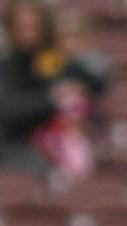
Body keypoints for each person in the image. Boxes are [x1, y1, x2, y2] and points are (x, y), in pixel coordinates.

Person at [0, 1, 106, 180]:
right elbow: (10, 112)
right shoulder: (5, 68)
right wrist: (53, 100)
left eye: (34, 27)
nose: (28, 34)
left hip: (58, 149)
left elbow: (95, 82)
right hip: (17, 153)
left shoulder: (53, 60)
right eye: (22, 27)